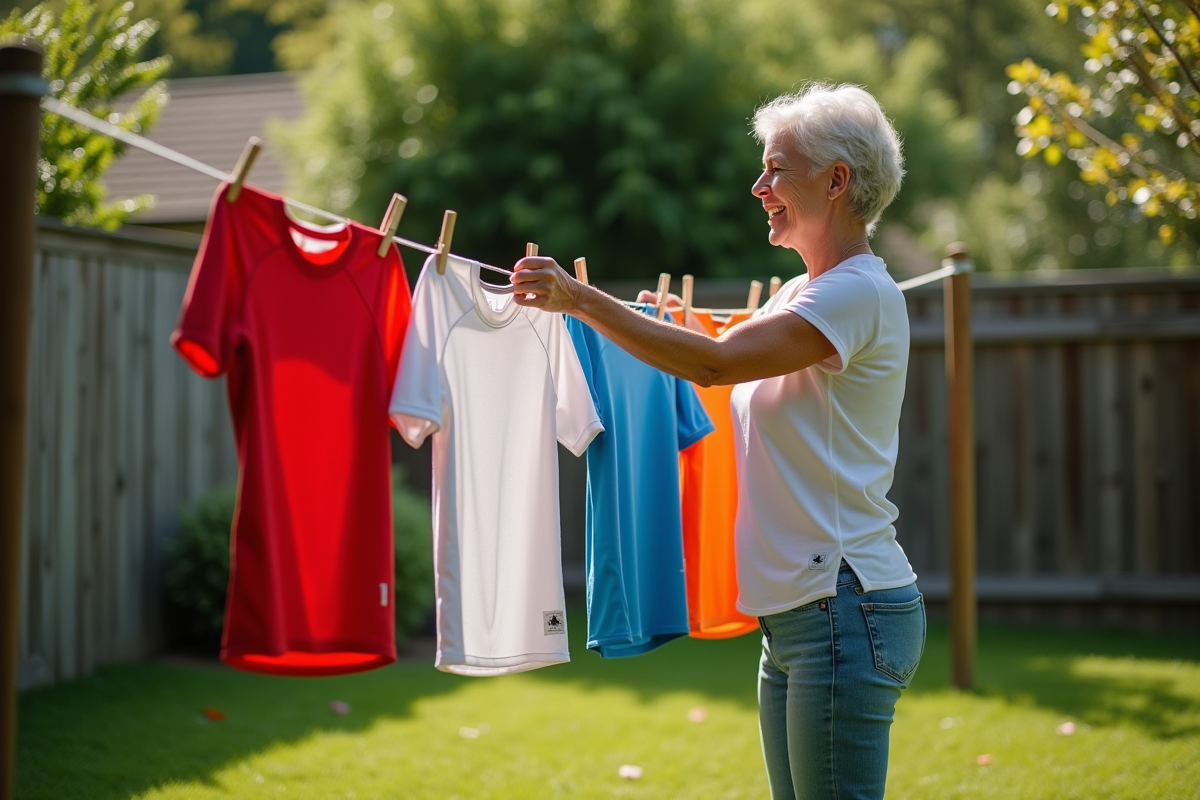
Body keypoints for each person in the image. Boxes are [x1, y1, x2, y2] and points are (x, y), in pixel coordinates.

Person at [509, 82, 925, 800]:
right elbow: (717, 345)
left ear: (836, 181)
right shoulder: (805, 293)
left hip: (842, 605)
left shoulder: (854, 293)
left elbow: (713, 364)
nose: (758, 185)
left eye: (776, 169)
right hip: (799, 615)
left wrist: (579, 298)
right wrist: (675, 323)